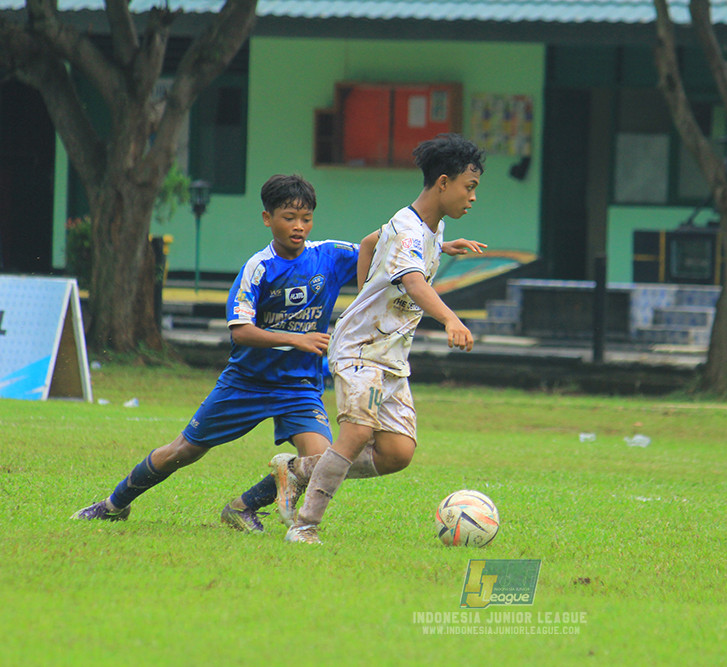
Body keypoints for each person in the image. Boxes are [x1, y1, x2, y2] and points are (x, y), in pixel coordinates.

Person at [71, 174, 363, 529]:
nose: (299, 226)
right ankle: (113, 504)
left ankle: (243, 507)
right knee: (183, 451)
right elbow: (241, 331)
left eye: (306, 218)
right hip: (246, 382)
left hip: (298, 386)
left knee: (321, 460)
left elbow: (377, 248)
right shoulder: (259, 268)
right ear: (267, 218)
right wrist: (296, 339)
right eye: (289, 218)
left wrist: (423, 240)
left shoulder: (329, 256)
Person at [277, 133, 486, 544]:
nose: (473, 197)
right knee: (357, 433)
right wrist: (450, 319)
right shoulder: (410, 231)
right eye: (470, 186)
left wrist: (440, 247)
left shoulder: (427, 227)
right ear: (443, 183)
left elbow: (372, 243)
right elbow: (413, 281)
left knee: (397, 453)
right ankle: (305, 525)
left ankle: (299, 470)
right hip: (361, 349)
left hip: (389, 354)